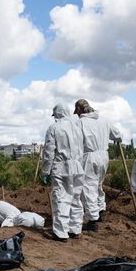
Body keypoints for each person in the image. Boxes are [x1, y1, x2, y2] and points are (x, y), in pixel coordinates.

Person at [74, 99, 122, 231]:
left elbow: (74, 142)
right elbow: (118, 135)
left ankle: (92, 220)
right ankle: (100, 211)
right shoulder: (104, 120)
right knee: (98, 185)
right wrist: (117, 139)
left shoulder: (80, 123)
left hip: (89, 156)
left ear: (79, 110)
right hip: (104, 156)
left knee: (88, 187)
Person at [41, 103, 84, 242]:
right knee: (76, 198)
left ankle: (60, 233)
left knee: (61, 199)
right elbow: (81, 150)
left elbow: (49, 153)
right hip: (77, 167)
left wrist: (45, 172)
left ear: (57, 114)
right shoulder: (77, 128)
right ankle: (75, 229)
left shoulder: (54, 128)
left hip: (61, 167)